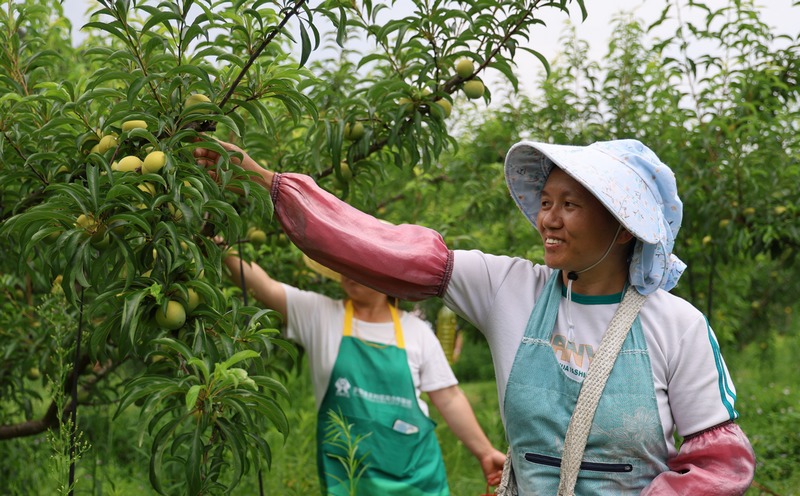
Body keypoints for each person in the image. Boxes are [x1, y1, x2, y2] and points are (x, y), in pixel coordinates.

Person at [195, 138, 756, 494]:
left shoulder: (676, 326)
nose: (548, 221)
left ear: (624, 224)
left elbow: (719, 463)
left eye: (570, 205)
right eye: (545, 202)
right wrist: (263, 182)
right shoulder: (510, 287)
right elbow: (379, 247)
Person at [220, 246, 505, 495]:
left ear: (386, 275)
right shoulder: (319, 315)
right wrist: (221, 246)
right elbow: (264, 287)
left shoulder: (416, 331)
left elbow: (449, 397)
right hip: (349, 476)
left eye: (363, 262)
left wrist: (484, 451)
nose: (352, 269)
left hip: (416, 478)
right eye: (348, 261)